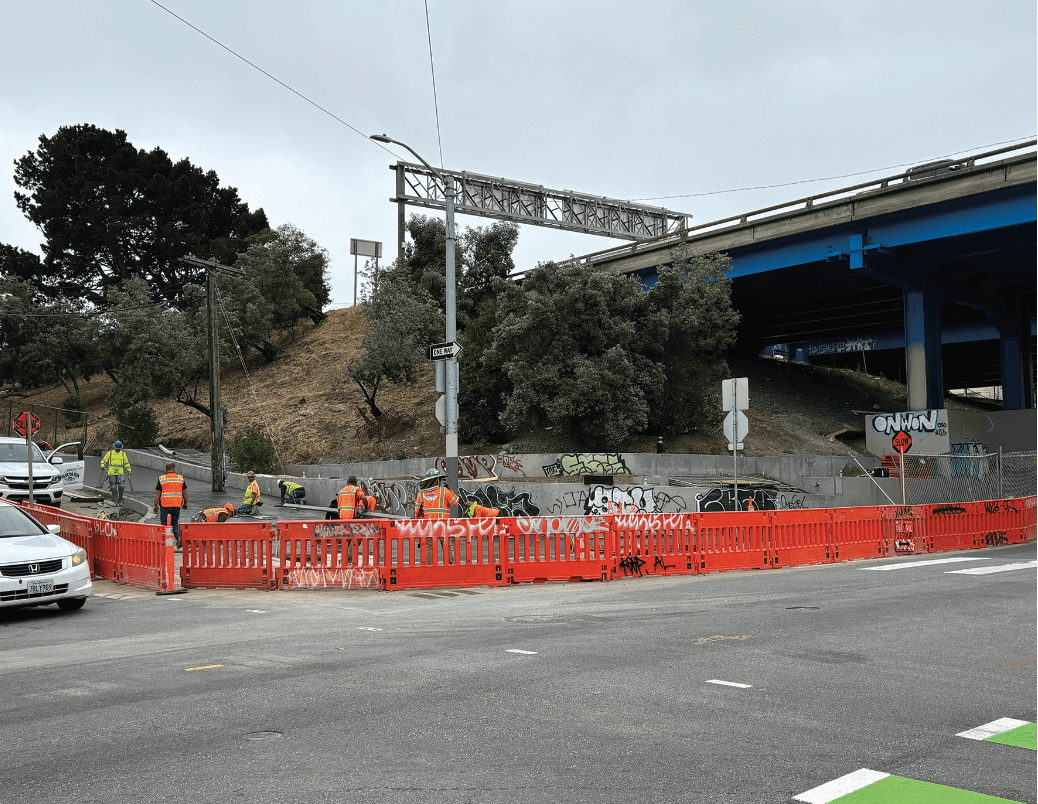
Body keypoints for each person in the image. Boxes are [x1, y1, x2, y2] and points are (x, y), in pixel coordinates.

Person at [153, 462, 188, 549]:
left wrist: (155, 505)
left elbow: (158, 493)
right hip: (176, 504)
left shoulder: (162, 478)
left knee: (165, 523)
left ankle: (165, 542)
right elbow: (184, 492)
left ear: (166, 469)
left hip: (165, 505)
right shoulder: (180, 478)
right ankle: (178, 538)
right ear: (174, 469)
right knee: (174, 522)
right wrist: (185, 503)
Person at [101, 441, 131, 505]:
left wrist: (129, 470)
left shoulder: (123, 454)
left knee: (121, 486)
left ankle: (120, 500)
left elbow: (126, 463)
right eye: (117, 449)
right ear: (114, 448)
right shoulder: (110, 453)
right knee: (113, 487)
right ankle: (115, 500)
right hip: (111, 472)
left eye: (119, 449)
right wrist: (102, 465)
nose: (118, 450)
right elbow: (104, 460)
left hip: (120, 472)